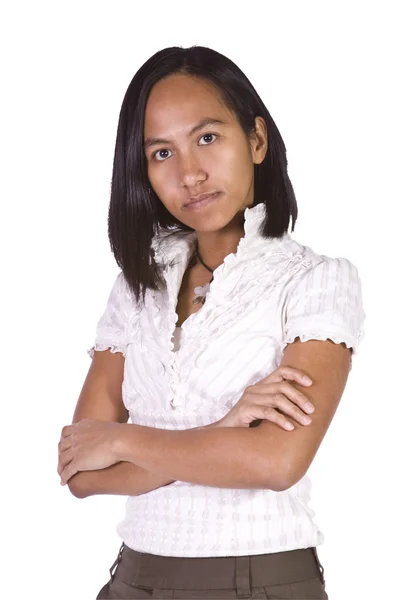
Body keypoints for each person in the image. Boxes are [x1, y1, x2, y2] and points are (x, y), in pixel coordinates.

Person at [57, 45, 366, 599]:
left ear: (256, 140)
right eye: (160, 153)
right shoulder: (136, 287)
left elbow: (275, 461)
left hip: (257, 580)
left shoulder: (315, 281)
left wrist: (123, 439)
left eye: (207, 137)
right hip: (133, 580)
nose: (190, 174)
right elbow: (81, 472)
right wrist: (226, 430)